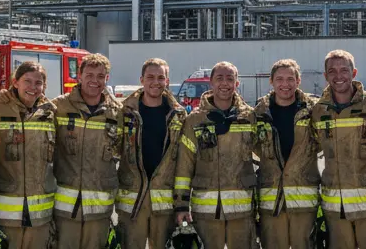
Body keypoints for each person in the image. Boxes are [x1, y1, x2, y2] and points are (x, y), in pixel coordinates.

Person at [174, 61, 258, 249]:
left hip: (242, 211)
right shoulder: (195, 120)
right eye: (219, 78)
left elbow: (265, 158)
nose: (225, 83)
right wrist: (181, 205)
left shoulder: (249, 117)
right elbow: (184, 166)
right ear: (211, 83)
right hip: (205, 212)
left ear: (237, 83)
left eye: (230, 79)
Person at [311, 49, 366, 249]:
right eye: (332, 71)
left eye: (344, 70)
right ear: (325, 75)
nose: (338, 76)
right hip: (335, 207)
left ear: (354, 73)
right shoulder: (318, 110)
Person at [116, 58, 189, 249]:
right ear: (141, 79)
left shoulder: (179, 116)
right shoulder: (124, 113)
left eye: (160, 77)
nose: (155, 82)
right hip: (132, 203)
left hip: (164, 205)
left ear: (167, 81)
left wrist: (182, 204)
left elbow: (184, 163)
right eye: (150, 77)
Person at [52, 53, 123, 249]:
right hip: (65, 209)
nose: (95, 81)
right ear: (79, 76)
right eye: (89, 75)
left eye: (100, 76)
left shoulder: (117, 112)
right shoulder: (58, 107)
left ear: (106, 79)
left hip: (100, 209)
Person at [252, 59, 319, 249]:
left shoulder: (313, 110)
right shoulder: (258, 113)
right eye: (279, 79)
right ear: (271, 81)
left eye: (290, 79)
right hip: (271, 201)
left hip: (304, 199)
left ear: (298, 81)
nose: (285, 84)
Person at [0, 61, 58, 249]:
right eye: (27, 81)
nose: (33, 87)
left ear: (44, 87)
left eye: (38, 83)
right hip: (4, 215)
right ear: (15, 82)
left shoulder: (51, 113)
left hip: (40, 216)